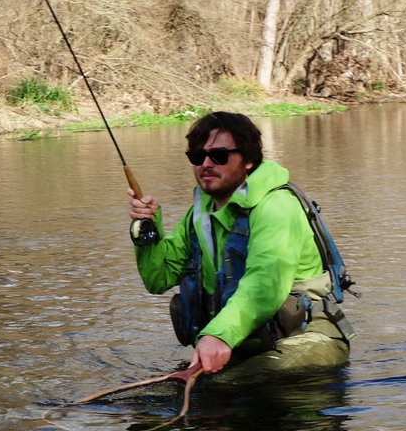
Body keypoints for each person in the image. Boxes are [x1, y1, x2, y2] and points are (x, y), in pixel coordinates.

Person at [126, 111, 350, 381]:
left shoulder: (277, 207)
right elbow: (158, 278)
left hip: (306, 338)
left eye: (219, 156)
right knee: (201, 388)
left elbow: (264, 284)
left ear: (248, 160)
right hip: (244, 343)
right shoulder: (199, 214)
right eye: (197, 156)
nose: (206, 164)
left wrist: (218, 335)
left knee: (219, 388)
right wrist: (147, 227)